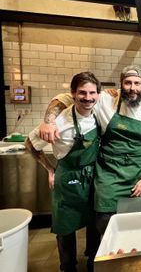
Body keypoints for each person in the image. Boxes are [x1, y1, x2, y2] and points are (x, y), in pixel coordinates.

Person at [38, 65, 141, 234]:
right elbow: (67, 98)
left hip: (137, 177)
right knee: (104, 222)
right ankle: (101, 258)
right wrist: (49, 121)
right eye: (127, 83)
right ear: (121, 84)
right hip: (108, 176)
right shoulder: (105, 99)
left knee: (136, 224)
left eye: (137, 83)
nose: (132, 88)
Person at [25, 72, 101, 272]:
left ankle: (93, 260)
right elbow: (30, 144)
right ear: (73, 94)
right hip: (67, 179)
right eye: (82, 93)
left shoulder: (99, 114)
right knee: (65, 227)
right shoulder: (59, 121)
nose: (88, 97)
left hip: (92, 177)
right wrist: (50, 169)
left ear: (98, 95)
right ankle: (68, 266)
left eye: (92, 93)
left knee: (94, 222)